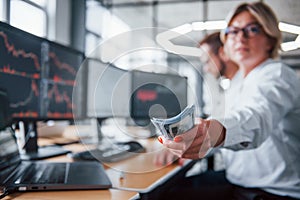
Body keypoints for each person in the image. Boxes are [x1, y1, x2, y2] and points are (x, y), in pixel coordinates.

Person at [158, 2, 300, 200]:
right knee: (165, 191)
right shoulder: (237, 83)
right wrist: (189, 143)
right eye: (233, 31)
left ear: (270, 40)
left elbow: (255, 117)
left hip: (273, 191)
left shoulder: (277, 75)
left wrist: (211, 132)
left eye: (253, 29)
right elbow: (220, 126)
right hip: (238, 180)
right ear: (227, 44)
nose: (241, 37)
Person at [154, 31, 240, 166]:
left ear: (223, 53)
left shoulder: (250, 85)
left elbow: (245, 122)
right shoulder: (230, 89)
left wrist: (206, 134)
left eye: (207, 61)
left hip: (258, 182)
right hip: (234, 173)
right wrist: (190, 145)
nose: (206, 68)